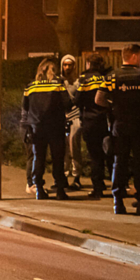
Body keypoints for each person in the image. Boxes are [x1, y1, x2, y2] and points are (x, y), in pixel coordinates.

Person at [96, 44, 140, 215]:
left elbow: (98, 99)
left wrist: (112, 107)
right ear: (133, 56)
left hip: (120, 125)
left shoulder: (112, 76)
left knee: (120, 162)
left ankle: (118, 202)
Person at [22, 58, 72, 200]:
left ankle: (39, 189)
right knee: (58, 159)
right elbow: (68, 103)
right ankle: (60, 190)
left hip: (37, 128)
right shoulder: (58, 85)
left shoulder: (30, 87)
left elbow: (25, 107)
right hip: (56, 127)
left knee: (39, 158)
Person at [75, 53, 111, 199]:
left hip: (90, 120)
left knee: (95, 155)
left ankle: (97, 187)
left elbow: (77, 100)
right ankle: (117, 185)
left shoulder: (84, 79)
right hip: (105, 121)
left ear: (88, 64)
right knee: (108, 154)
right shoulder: (105, 78)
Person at [60, 54, 83, 190]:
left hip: (75, 117)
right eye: (65, 65)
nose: (67, 67)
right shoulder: (59, 81)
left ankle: (76, 176)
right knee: (63, 149)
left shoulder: (78, 82)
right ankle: (63, 176)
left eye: (69, 65)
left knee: (74, 147)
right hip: (62, 117)